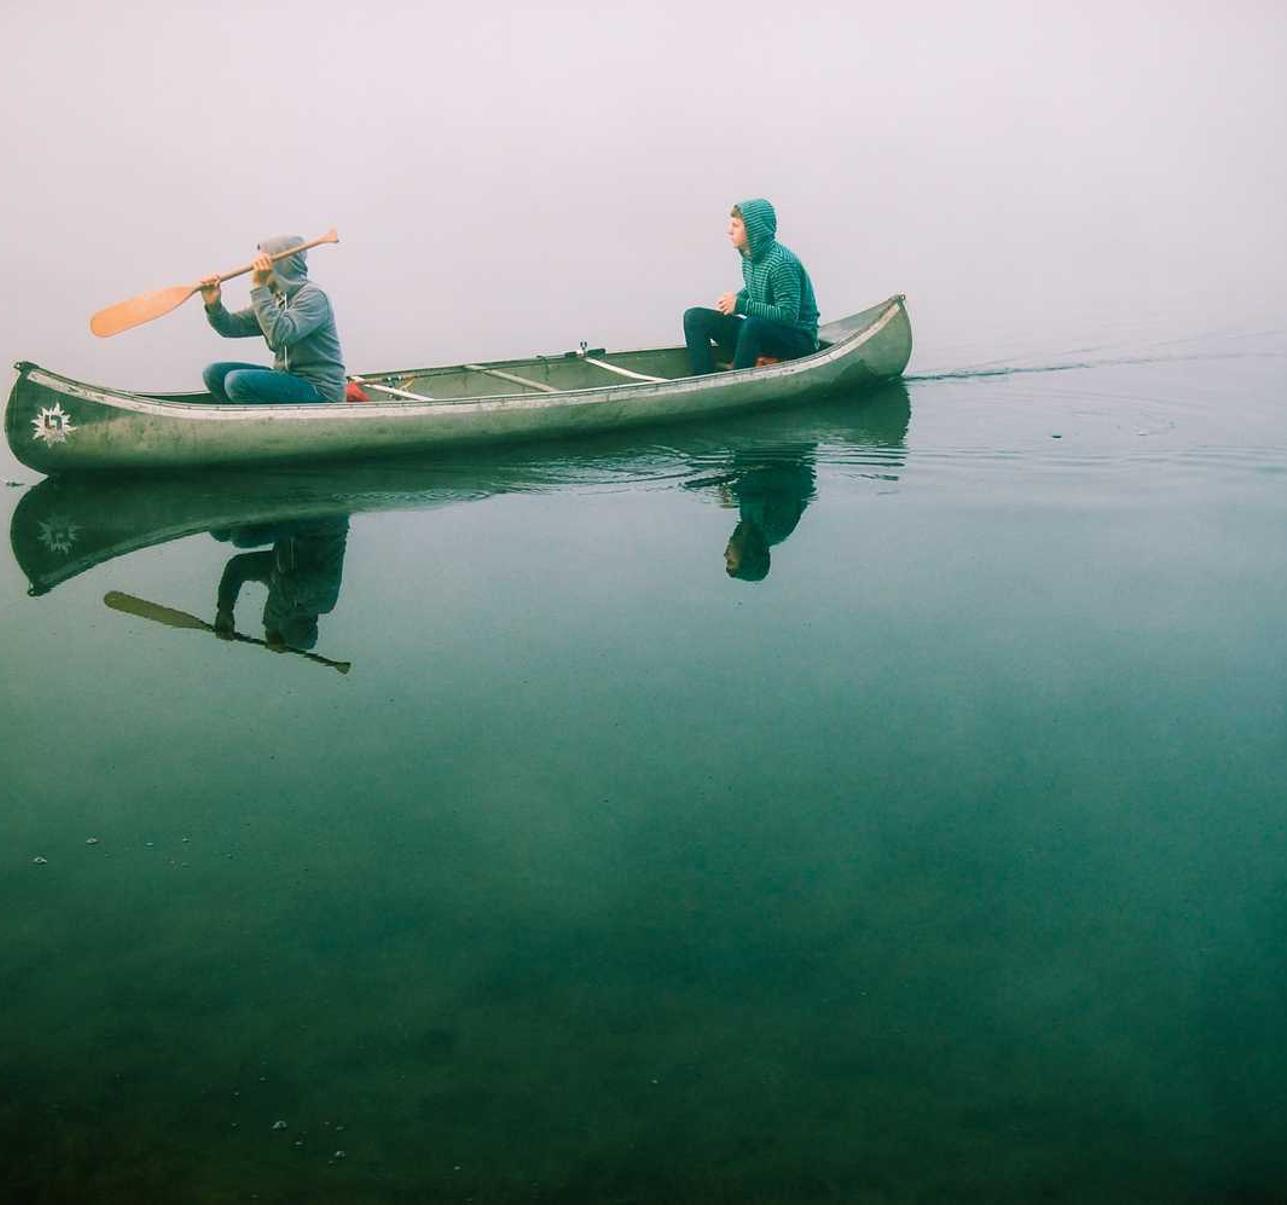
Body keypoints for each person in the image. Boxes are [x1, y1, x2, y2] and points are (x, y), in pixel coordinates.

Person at [200, 235, 346, 404]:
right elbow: (231, 327)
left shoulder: (313, 297)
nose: (255, 269)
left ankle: (260, 424)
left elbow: (281, 336)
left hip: (319, 389)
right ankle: (244, 421)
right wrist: (214, 305)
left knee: (237, 381)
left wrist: (259, 287)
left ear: (281, 266)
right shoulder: (276, 299)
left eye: (263, 264)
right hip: (288, 379)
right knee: (214, 373)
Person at [683, 199, 820, 376]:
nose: (729, 231)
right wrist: (734, 301)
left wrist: (740, 305)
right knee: (694, 317)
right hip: (765, 332)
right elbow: (756, 288)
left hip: (798, 340)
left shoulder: (782, 263)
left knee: (752, 324)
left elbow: (788, 315)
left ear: (754, 230)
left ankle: (736, 382)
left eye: (736, 225)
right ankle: (702, 379)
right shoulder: (750, 258)